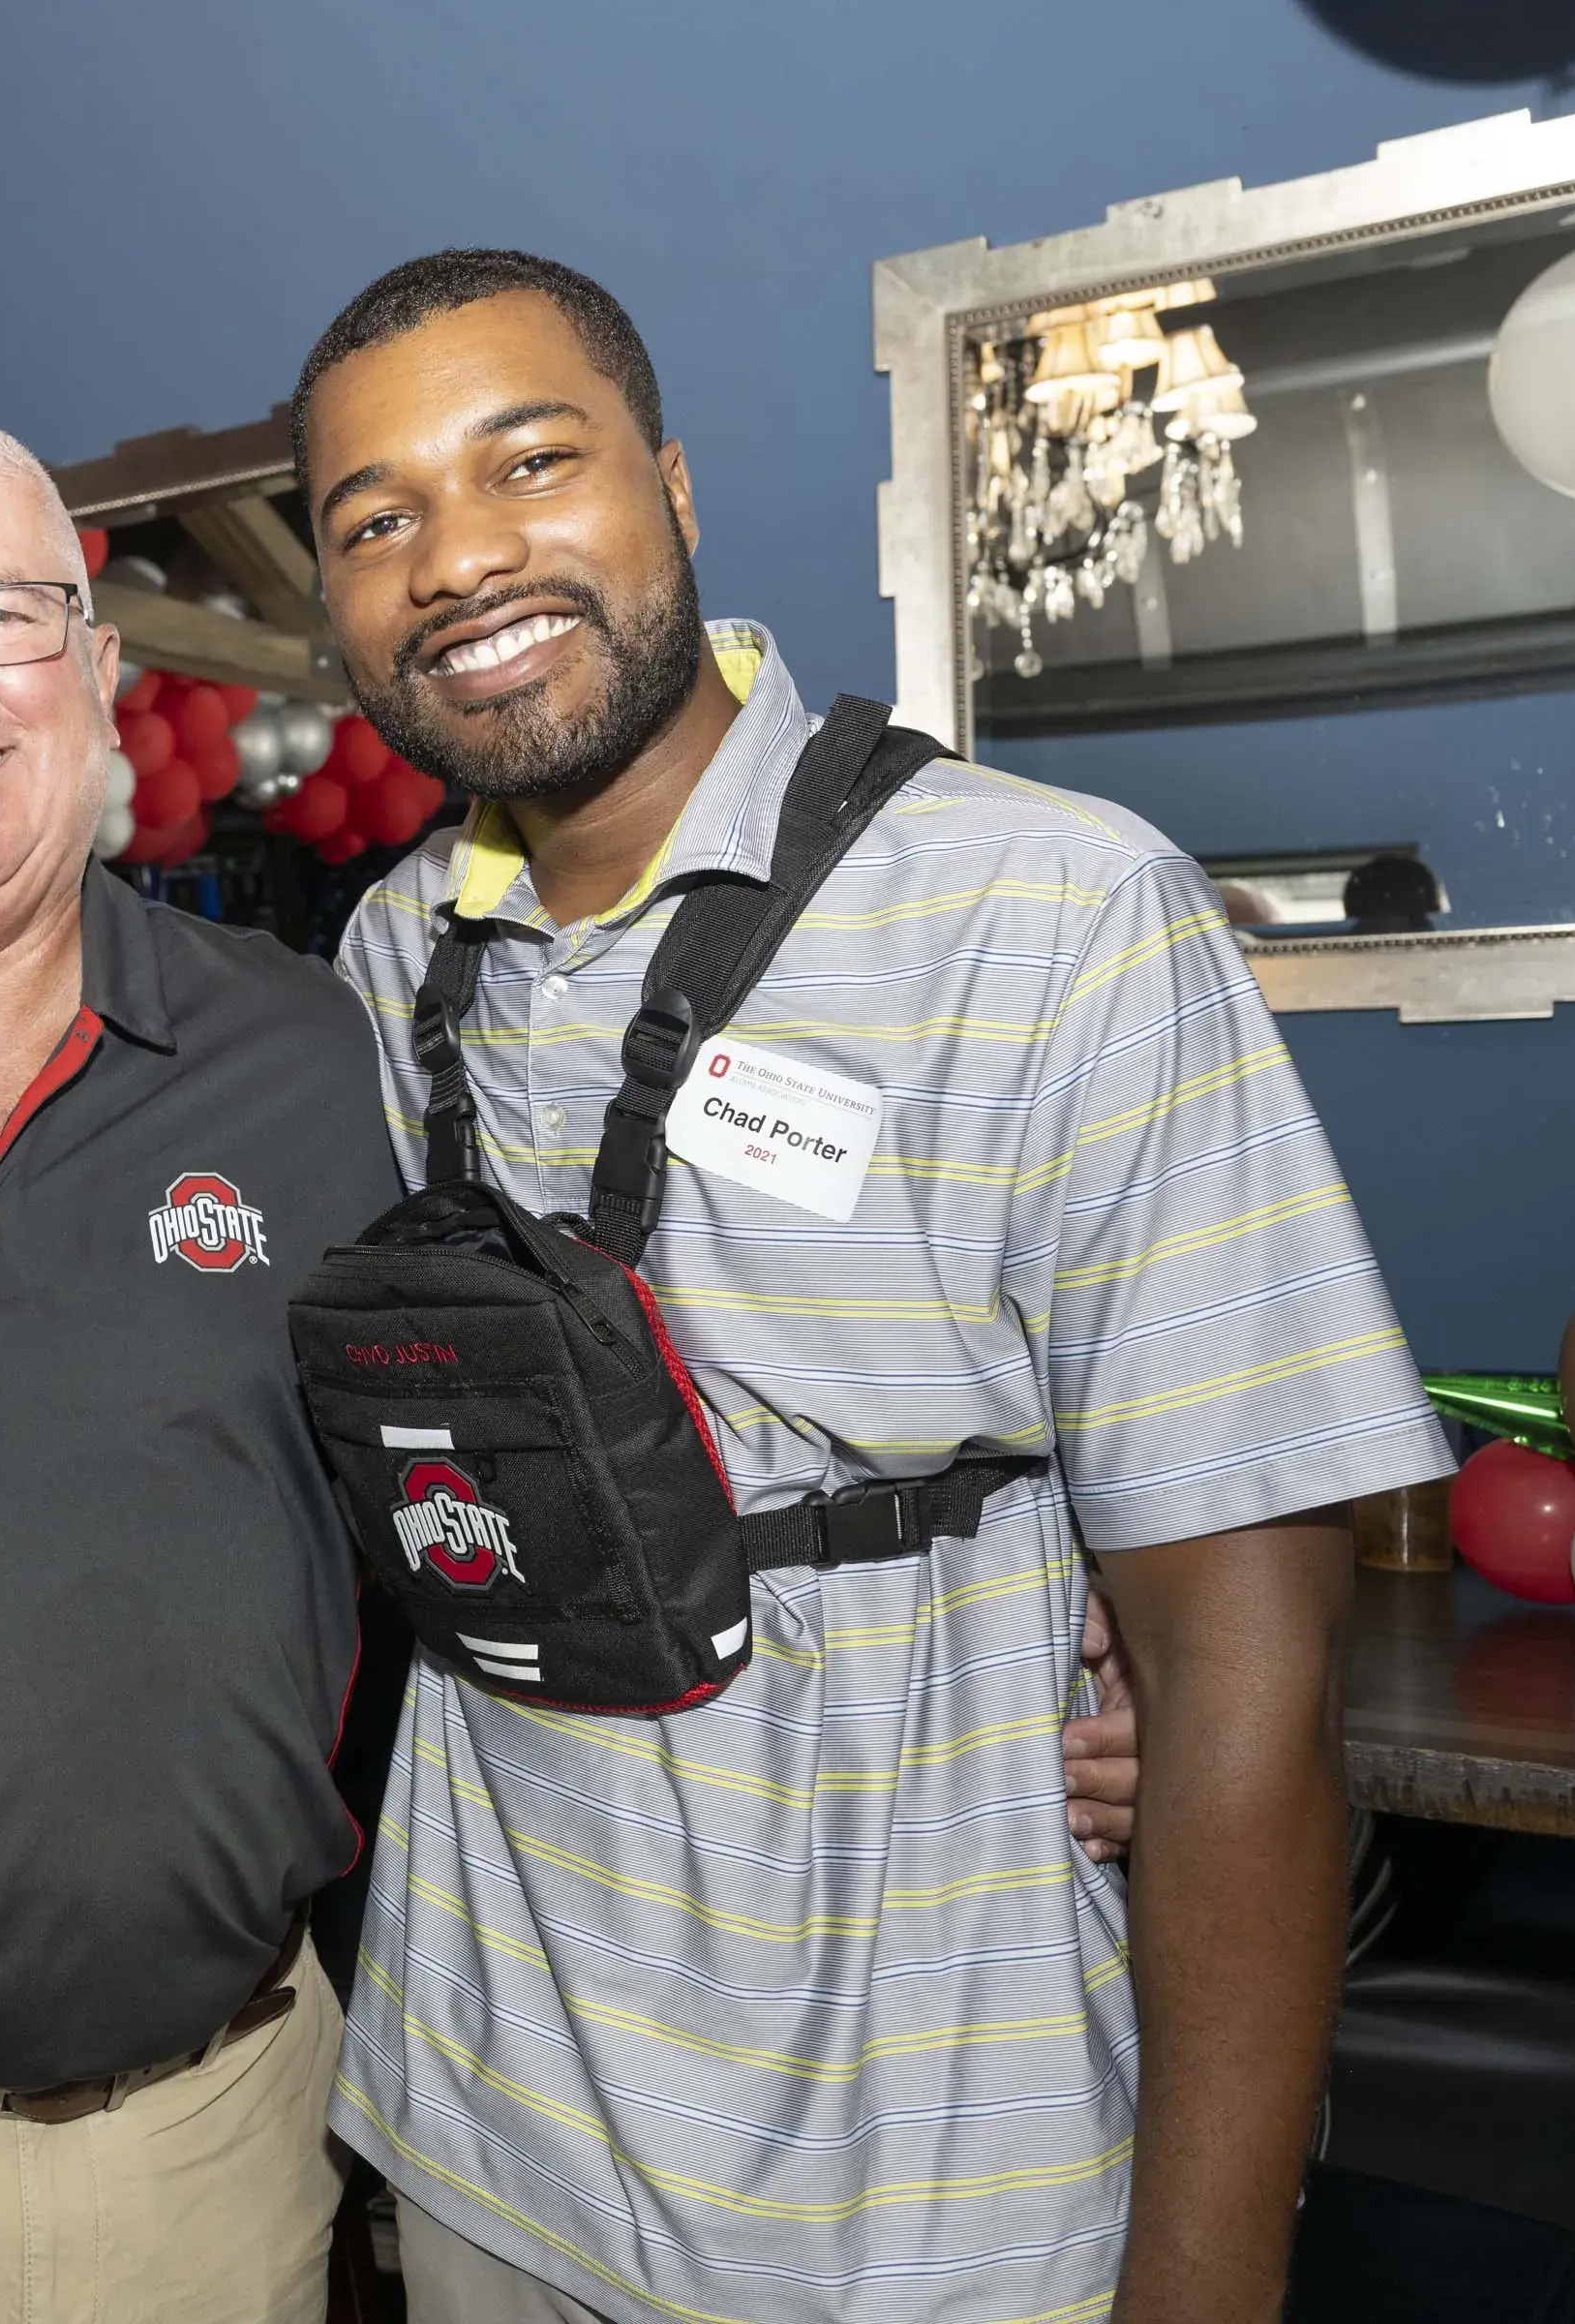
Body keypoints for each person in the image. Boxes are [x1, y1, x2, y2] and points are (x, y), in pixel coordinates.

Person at [0, 406, 1143, 2324]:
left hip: (225, 2161)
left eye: (1, 611)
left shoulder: (327, 1054)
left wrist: (1070, 1598)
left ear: (104, 668)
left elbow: (684, 1311)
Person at [295, 249, 1450, 2324]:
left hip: (933, 2189)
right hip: (486, 2132)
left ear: (675, 483)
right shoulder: (397, 962)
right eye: (374, 519)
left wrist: (1200, 2284)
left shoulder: (1053, 912)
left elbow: (1245, 1667)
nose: (457, 558)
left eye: (527, 462)